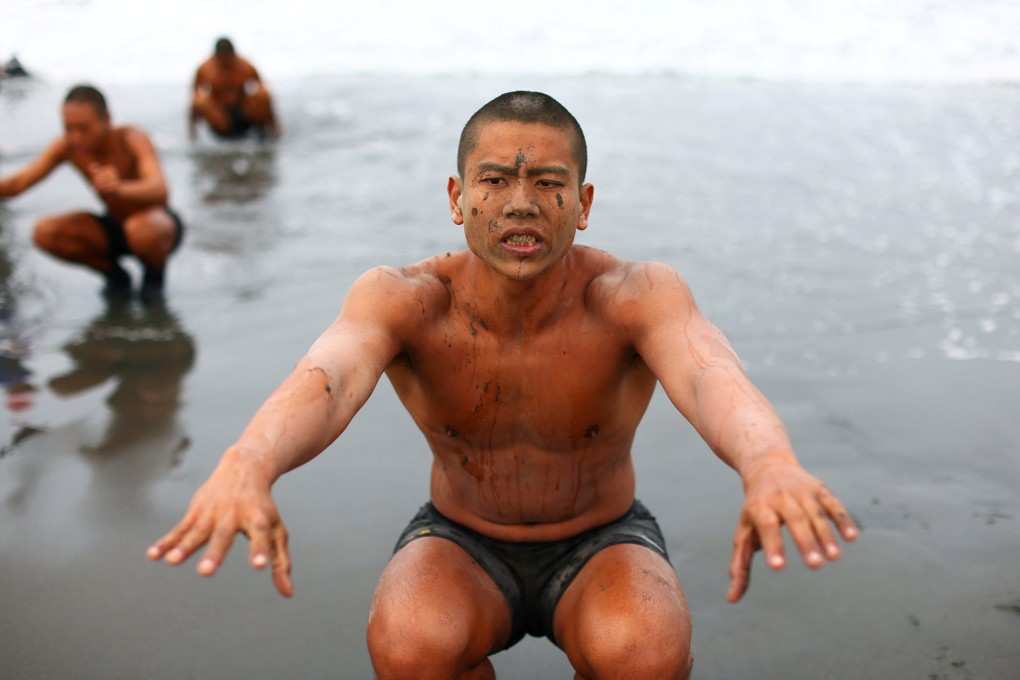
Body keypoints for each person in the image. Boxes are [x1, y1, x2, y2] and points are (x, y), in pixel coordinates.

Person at [147, 91, 858, 679]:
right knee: (408, 646)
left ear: (583, 204)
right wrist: (248, 461)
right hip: (461, 540)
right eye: (495, 180)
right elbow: (330, 377)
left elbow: (710, 376)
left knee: (645, 654)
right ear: (458, 198)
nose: (522, 203)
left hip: (601, 540)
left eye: (548, 184)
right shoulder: (406, 299)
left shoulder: (634, 295)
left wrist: (769, 463)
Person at [0, 84, 183, 305]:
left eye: (84, 128)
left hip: (157, 226)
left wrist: (120, 188)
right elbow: (16, 185)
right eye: (68, 128)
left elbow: (160, 189)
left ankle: (154, 278)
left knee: (141, 230)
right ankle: (115, 276)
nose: (76, 137)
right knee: (45, 232)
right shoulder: (67, 147)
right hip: (114, 225)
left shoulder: (131, 138)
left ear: (106, 118)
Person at [189, 37, 280, 140]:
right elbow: (194, 97)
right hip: (220, 116)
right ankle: (221, 131)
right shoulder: (205, 69)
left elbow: (264, 93)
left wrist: (274, 125)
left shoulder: (245, 66)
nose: (226, 61)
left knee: (263, 93)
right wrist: (192, 130)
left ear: (233, 54)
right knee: (200, 100)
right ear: (216, 56)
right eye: (222, 58)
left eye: (228, 57)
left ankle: (261, 128)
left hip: (243, 111)